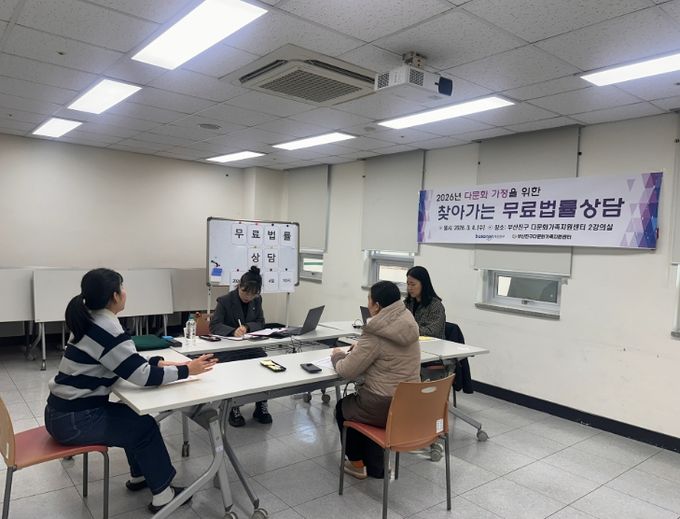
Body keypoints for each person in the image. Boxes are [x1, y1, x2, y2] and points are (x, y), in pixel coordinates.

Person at [45, 268, 217, 513]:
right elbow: (142, 377)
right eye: (122, 287)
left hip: (59, 414)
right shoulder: (108, 329)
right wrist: (188, 370)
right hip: (75, 421)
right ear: (114, 296)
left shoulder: (88, 321)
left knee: (132, 416)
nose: (125, 292)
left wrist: (158, 362)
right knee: (144, 427)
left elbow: (120, 362)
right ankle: (163, 496)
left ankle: (140, 476)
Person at [331, 280, 420, 479]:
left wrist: (337, 355)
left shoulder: (375, 331)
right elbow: (387, 355)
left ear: (377, 305)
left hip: (383, 404)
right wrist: (361, 349)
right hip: (408, 404)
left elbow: (347, 371)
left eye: (369, 299)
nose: (368, 303)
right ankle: (375, 465)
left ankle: (357, 465)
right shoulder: (408, 321)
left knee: (344, 408)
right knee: (365, 407)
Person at [209, 266, 272, 427]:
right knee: (232, 366)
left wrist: (248, 327)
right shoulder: (224, 301)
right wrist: (232, 331)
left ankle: (261, 405)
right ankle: (233, 407)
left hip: (249, 346)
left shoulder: (257, 300)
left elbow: (261, 322)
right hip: (228, 348)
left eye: (253, 294)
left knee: (263, 362)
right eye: (245, 292)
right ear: (239, 286)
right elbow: (214, 325)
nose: (248, 297)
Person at [404, 265, 446, 339]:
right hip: (409, 341)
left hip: (431, 344)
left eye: (413, 284)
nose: (409, 288)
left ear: (424, 284)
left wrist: (408, 330)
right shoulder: (407, 303)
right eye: (408, 284)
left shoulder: (436, 306)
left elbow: (432, 332)